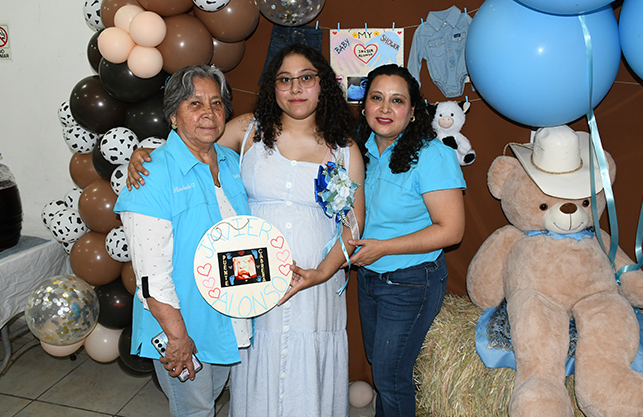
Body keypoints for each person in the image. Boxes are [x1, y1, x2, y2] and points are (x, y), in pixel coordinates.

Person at [127, 44, 365, 417]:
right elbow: (190, 147)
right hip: (251, 287)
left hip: (314, 289)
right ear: (272, 87)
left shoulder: (345, 149)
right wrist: (146, 155)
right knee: (247, 375)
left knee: (304, 371)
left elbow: (354, 225)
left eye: (306, 78)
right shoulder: (248, 129)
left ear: (324, 84)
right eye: (285, 79)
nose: (296, 88)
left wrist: (321, 272)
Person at [114, 65, 253, 417]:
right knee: (195, 411)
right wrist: (177, 337)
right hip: (181, 323)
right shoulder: (151, 174)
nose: (209, 112)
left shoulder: (231, 162)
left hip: (225, 318)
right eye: (194, 103)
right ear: (173, 116)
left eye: (217, 103)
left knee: (209, 402)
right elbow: (151, 274)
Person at [349, 64, 466, 417]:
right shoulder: (359, 152)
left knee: (391, 377)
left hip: (411, 281)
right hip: (369, 278)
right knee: (381, 366)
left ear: (413, 111)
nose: (385, 108)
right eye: (377, 98)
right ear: (364, 105)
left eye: (397, 100)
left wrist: (384, 247)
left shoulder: (433, 155)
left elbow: (451, 230)